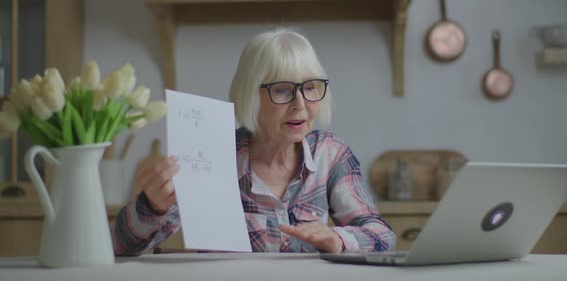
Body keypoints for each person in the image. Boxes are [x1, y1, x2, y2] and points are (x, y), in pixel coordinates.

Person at [111, 28, 396, 255]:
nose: (301, 104)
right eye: (283, 90)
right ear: (250, 95)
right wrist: (153, 206)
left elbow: (382, 235)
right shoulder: (212, 154)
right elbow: (122, 245)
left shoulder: (331, 154)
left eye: (310, 87)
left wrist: (338, 238)